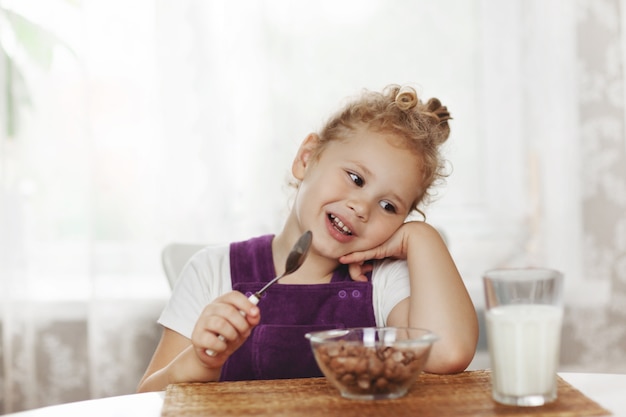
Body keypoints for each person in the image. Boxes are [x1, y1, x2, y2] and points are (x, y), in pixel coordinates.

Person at [137, 84, 478, 392]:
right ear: (306, 159)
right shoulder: (212, 271)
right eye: (356, 178)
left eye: (389, 206)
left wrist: (421, 236)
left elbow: (448, 354)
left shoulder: (386, 280)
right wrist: (200, 361)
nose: (362, 207)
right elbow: (146, 400)